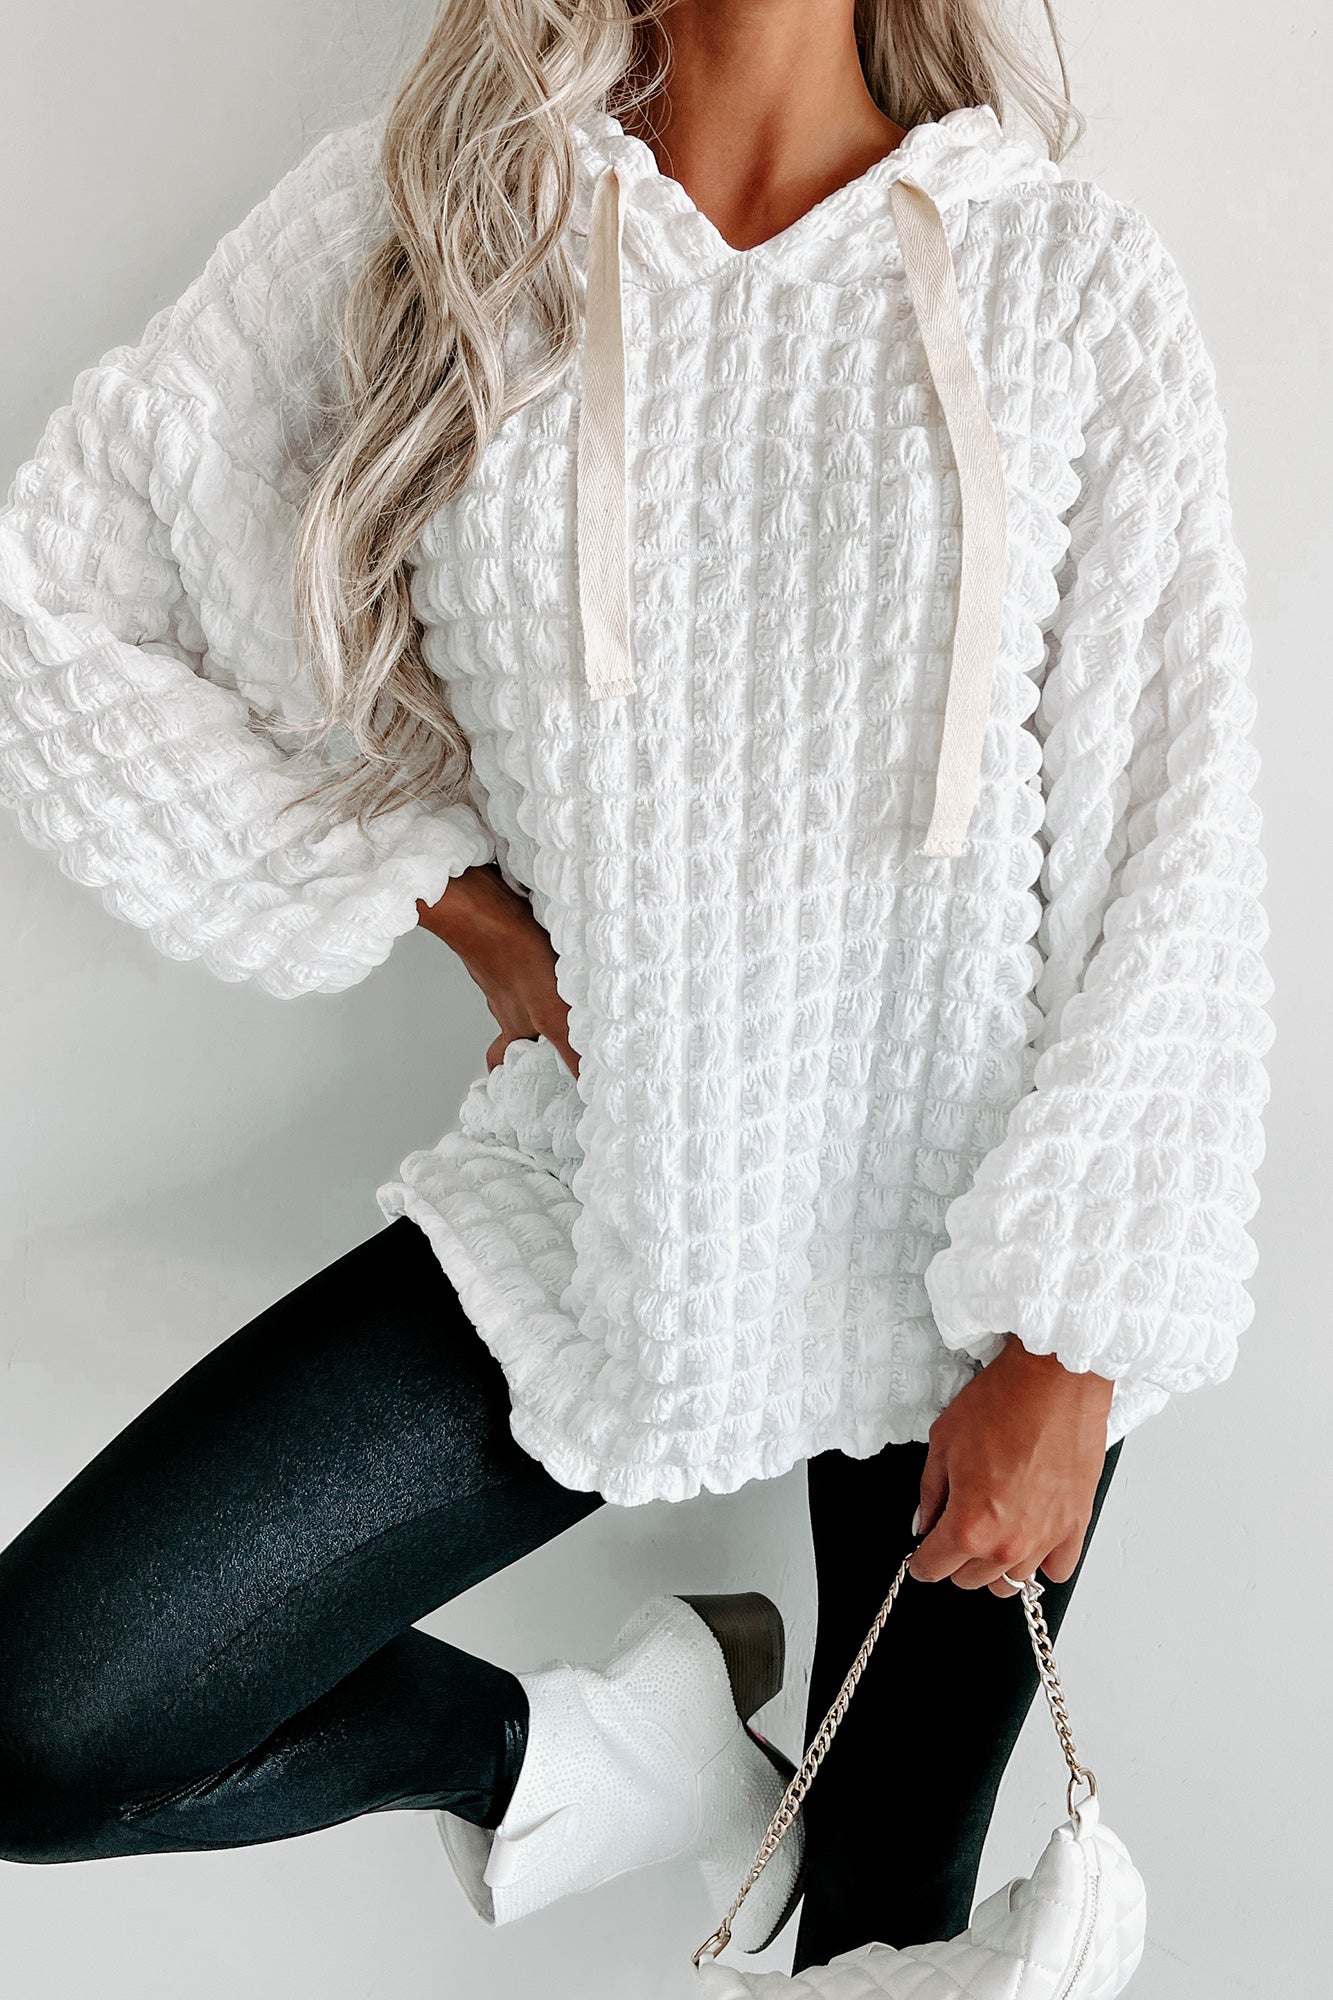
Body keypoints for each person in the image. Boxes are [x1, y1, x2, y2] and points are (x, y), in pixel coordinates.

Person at [0, 0, 1272, 1977]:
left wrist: (1076, 1341)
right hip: (610, 1204)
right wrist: (447, 902)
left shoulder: (1061, 280)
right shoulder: (437, 229)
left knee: (875, 1937)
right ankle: (573, 1767)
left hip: (978, 1265)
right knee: (44, 1718)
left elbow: (1171, 844)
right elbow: (59, 593)